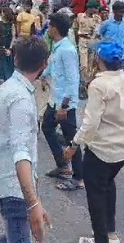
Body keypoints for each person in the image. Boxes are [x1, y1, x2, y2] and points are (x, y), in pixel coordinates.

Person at [67, 42, 124, 243]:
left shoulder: (99, 84)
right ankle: (110, 234)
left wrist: (74, 144)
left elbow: (91, 122)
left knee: (96, 197)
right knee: (108, 186)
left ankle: (101, 239)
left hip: (101, 150)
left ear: (100, 60)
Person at [0, 37, 51, 243]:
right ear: (44, 64)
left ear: (15, 60)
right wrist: (33, 203)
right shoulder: (21, 98)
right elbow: (21, 153)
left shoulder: (10, 87)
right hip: (13, 189)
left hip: (7, 181)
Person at [40, 13, 83, 191]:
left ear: (55, 29)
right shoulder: (59, 47)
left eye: (50, 26)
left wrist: (64, 106)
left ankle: (79, 177)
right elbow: (52, 66)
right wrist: (42, 76)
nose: (48, 29)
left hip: (64, 104)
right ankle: (62, 165)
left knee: (72, 139)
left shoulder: (67, 50)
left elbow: (73, 80)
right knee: (47, 127)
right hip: (55, 100)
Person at [0, 7, 16, 83]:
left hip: (8, 44)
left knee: (8, 62)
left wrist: (10, 48)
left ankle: (8, 79)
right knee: (0, 62)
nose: (1, 13)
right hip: (1, 45)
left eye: (2, 12)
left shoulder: (12, 25)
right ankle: (0, 79)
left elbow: (13, 37)